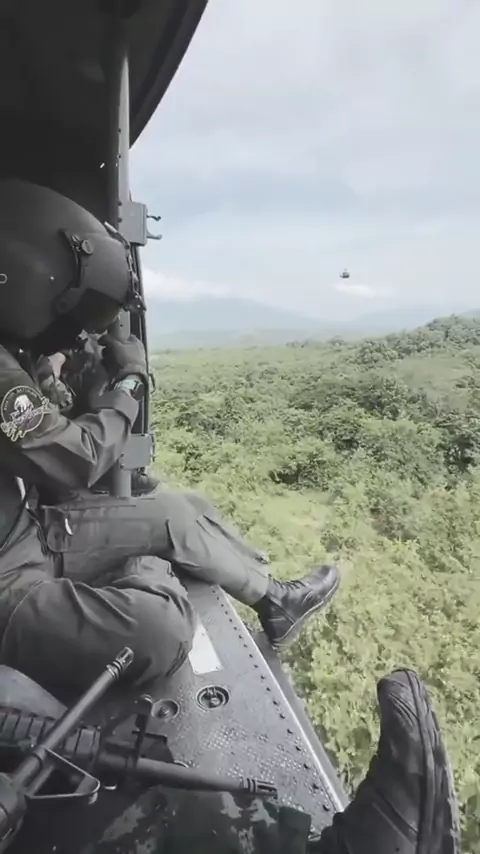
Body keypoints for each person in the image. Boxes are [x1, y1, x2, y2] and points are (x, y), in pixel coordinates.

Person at [0, 178, 339, 701]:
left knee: (180, 512)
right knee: (156, 631)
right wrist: (129, 384)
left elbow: (53, 428)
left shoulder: (14, 355)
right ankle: (146, 569)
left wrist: (74, 375)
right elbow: (75, 459)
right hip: (8, 576)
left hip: (27, 532)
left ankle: (276, 601)